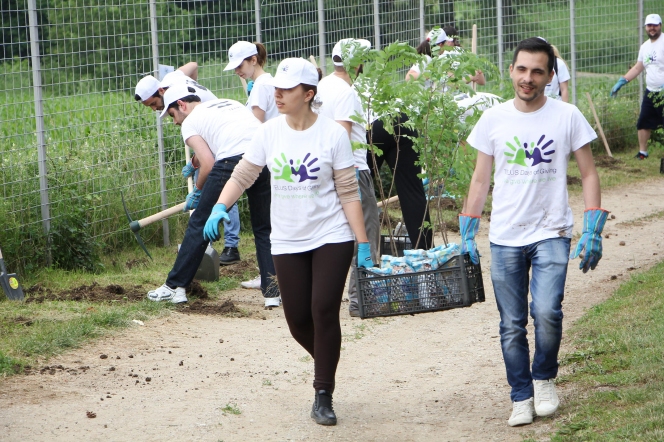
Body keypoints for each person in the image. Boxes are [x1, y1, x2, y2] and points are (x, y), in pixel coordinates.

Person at [202, 57, 373, 425]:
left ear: (308, 93)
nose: (277, 94)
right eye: (276, 88)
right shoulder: (269, 132)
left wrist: (362, 242)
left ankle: (322, 392)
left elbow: (347, 192)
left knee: (323, 309)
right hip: (287, 239)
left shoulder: (332, 134)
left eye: (286, 89)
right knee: (297, 320)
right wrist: (219, 206)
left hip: (331, 235)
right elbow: (244, 173)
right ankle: (328, 359)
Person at [459, 37, 607, 427]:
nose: (528, 78)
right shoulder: (493, 118)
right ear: (511, 70)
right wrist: (467, 227)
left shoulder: (567, 115)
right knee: (510, 323)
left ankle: (543, 378)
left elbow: (589, 172)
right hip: (505, 233)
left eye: (537, 71)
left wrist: (593, 225)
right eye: (522, 69)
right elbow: (479, 178)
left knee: (546, 312)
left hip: (552, 229)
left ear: (550, 76)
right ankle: (520, 395)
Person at [148, 83, 280, 307]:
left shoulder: (189, 122)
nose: (175, 121)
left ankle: (174, 287)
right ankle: (272, 292)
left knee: (199, 222)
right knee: (264, 228)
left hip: (232, 160)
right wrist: (193, 163)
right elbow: (214, 145)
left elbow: (208, 164)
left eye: (172, 114)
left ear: (181, 105)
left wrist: (198, 192)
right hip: (265, 157)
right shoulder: (228, 104)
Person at [134, 64, 244, 266]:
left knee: (223, 184)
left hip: (225, 133)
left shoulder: (181, 102)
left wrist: (199, 190)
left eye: (154, 103)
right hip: (217, 131)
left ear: (161, 92)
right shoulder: (173, 79)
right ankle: (209, 240)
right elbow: (193, 66)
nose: (154, 109)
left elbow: (209, 159)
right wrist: (194, 163)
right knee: (209, 179)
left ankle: (230, 245)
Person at [316, 38, 380, 318]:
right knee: (365, 233)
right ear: (357, 63)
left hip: (325, 172)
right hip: (351, 170)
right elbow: (342, 135)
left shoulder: (322, 86)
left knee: (334, 235)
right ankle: (361, 298)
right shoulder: (347, 92)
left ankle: (329, 298)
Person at [224, 40, 280, 289]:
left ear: (254, 60)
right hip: (275, 158)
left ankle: (270, 278)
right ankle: (272, 274)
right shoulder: (267, 83)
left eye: (240, 65)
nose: (237, 71)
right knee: (270, 223)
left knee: (263, 226)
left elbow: (254, 126)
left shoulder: (260, 86)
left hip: (264, 161)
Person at [611, 13, 664, 160]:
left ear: (660, 25)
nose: (652, 28)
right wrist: (622, 81)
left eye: (655, 25)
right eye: (649, 25)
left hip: (663, 92)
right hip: (651, 91)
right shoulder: (645, 47)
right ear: (645, 27)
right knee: (643, 122)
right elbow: (638, 67)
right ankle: (643, 153)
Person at [406, 26, 486, 86]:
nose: (448, 44)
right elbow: (408, 77)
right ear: (441, 45)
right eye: (446, 42)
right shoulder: (427, 59)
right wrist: (431, 74)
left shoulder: (441, 59)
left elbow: (453, 81)